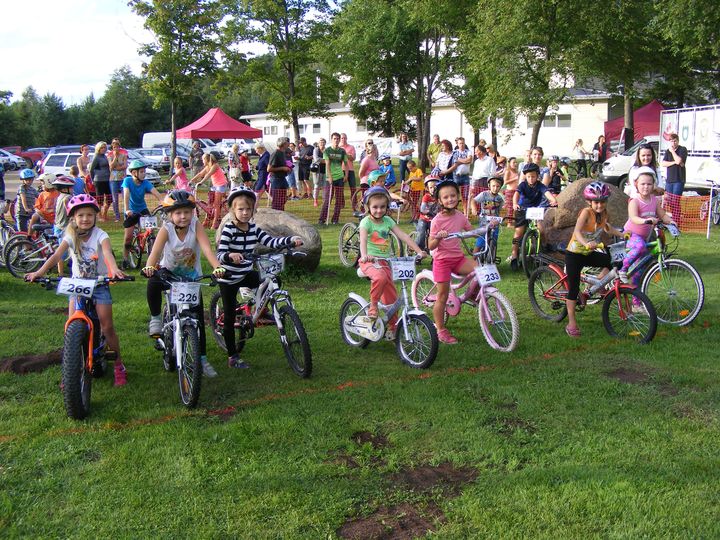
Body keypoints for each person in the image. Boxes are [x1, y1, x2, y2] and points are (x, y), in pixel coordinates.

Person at [25, 194, 128, 386]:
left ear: (95, 216)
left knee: (107, 326)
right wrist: (38, 273)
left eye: (89, 215)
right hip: (77, 285)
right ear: (73, 217)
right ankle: (70, 372)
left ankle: (118, 366)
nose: (85, 219)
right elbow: (56, 256)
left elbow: (107, 253)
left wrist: (114, 269)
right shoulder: (70, 236)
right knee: (71, 326)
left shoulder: (101, 235)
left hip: (98, 284)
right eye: (81, 215)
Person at [216, 186, 303, 369]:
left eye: (248, 209)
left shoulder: (253, 228)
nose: (245, 213)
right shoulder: (229, 229)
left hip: (246, 273)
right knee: (230, 317)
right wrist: (230, 255)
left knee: (271, 280)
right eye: (240, 209)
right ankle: (233, 356)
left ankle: (260, 310)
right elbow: (220, 253)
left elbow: (270, 241)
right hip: (229, 277)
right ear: (232, 210)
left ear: (253, 210)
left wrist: (290, 240)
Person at [142, 190, 226, 377]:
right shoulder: (166, 229)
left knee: (198, 321)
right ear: (170, 215)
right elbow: (155, 252)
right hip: (169, 274)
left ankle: (202, 360)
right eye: (178, 213)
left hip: (191, 278)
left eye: (187, 212)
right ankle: (156, 318)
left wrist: (217, 267)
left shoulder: (196, 226)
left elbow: (207, 248)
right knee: (153, 282)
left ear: (192, 212)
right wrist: (149, 266)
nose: (183, 216)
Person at [358, 186, 425, 338]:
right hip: (369, 261)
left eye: (382, 207)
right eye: (375, 207)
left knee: (392, 299)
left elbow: (403, 236)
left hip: (384, 262)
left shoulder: (388, 220)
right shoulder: (366, 222)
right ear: (368, 207)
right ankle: (373, 305)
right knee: (380, 277)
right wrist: (365, 255)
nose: (379, 210)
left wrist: (419, 251)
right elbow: (363, 240)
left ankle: (393, 327)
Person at [563, 182, 624, 337]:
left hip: (588, 253)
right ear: (589, 202)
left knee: (611, 262)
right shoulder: (586, 212)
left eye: (602, 201)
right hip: (575, 254)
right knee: (573, 289)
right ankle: (571, 323)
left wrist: (623, 234)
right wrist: (586, 243)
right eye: (596, 202)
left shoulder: (604, 213)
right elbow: (577, 231)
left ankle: (597, 285)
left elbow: (607, 227)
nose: (599, 205)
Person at [428, 180, 476, 344]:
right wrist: (438, 238)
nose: (450, 199)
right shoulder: (437, 221)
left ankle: (473, 295)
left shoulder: (460, 216)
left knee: (480, 270)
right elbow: (430, 245)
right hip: (442, 261)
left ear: (458, 196)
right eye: (446, 197)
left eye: (453, 196)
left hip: (458, 258)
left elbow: (472, 231)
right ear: (440, 201)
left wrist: (488, 226)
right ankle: (441, 330)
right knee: (442, 296)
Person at [619, 171, 675, 290]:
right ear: (636, 185)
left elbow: (662, 215)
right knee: (640, 246)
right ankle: (622, 269)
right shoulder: (634, 201)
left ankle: (636, 299)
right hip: (630, 235)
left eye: (649, 184)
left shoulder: (654, 201)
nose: (646, 187)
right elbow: (633, 217)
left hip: (643, 237)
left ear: (653, 185)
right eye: (643, 184)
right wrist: (646, 220)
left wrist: (671, 221)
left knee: (640, 270)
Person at [509, 163, 558, 270]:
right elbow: (516, 194)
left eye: (533, 176)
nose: (531, 179)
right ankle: (514, 255)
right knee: (518, 233)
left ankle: (543, 250)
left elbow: (547, 193)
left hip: (535, 210)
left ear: (537, 176)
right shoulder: (522, 185)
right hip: (522, 209)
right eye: (528, 177)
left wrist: (553, 200)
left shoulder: (540, 185)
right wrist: (515, 203)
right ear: (525, 177)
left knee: (541, 230)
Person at [121, 160, 163, 268]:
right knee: (128, 238)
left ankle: (151, 249)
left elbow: (156, 193)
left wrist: (163, 202)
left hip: (143, 209)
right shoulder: (127, 181)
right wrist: (127, 209)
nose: (144, 174)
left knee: (151, 230)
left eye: (144, 171)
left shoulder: (145, 183)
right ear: (134, 173)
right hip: (131, 211)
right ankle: (125, 259)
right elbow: (126, 195)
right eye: (142, 172)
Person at [192, 153, 229, 228]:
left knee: (216, 204)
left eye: (203, 159)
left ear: (207, 159)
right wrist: (191, 180)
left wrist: (201, 182)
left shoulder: (215, 165)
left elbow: (208, 174)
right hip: (215, 185)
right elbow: (200, 174)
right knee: (210, 203)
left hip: (221, 185)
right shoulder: (208, 166)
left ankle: (215, 223)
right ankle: (207, 220)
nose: (202, 161)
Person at [471, 176, 504, 255]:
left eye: (498, 186)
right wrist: (474, 209)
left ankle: (492, 257)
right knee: (480, 241)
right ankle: (474, 259)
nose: (495, 188)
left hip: (494, 222)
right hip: (484, 221)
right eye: (493, 186)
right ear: (489, 185)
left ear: (500, 187)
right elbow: (473, 201)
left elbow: (499, 210)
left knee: (494, 239)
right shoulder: (484, 194)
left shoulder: (500, 198)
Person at [660, 133, 687, 225]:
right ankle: (673, 219)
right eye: (671, 141)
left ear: (678, 141)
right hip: (669, 180)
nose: (673, 143)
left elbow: (679, 161)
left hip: (679, 179)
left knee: (676, 200)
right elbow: (663, 163)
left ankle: (677, 220)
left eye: (675, 141)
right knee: (670, 200)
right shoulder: (667, 151)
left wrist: (673, 152)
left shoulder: (682, 149)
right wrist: (674, 162)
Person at [321, 132, 348, 224]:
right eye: (334, 139)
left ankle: (335, 219)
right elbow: (327, 165)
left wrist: (346, 175)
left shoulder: (342, 151)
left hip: (340, 178)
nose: (336, 140)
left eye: (337, 139)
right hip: (329, 178)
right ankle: (322, 219)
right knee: (327, 199)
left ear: (340, 140)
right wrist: (330, 177)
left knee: (338, 200)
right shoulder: (327, 151)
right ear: (331, 140)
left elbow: (346, 164)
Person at [266, 137, 292, 212]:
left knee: (282, 200)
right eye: (287, 142)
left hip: (282, 178)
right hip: (276, 180)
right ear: (283, 143)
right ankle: (275, 216)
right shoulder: (275, 153)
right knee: (277, 201)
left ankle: (282, 215)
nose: (289, 144)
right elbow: (269, 169)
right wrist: (283, 168)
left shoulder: (282, 153)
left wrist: (288, 168)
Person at [415, 175, 439, 251]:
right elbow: (422, 208)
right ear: (427, 188)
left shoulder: (439, 197)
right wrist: (428, 212)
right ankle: (419, 250)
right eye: (431, 187)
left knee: (435, 235)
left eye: (435, 187)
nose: (433, 189)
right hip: (424, 219)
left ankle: (432, 250)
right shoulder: (426, 197)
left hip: (434, 220)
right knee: (421, 234)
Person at [470, 145, 497, 212]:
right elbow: (474, 174)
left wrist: (491, 185)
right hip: (477, 183)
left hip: (486, 182)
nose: (475, 153)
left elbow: (493, 173)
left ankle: (489, 215)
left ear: (481, 151)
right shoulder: (476, 162)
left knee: (487, 202)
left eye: (476, 151)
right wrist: (472, 186)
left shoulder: (490, 160)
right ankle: (480, 216)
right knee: (478, 202)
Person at [89, 141, 111, 221]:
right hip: (99, 180)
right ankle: (99, 215)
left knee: (109, 198)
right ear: (98, 148)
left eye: (105, 147)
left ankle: (104, 213)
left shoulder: (105, 156)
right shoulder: (96, 157)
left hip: (107, 179)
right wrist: (92, 180)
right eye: (102, 148)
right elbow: (91, 169)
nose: (104, 149)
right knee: (100, 199)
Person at [108, 138, 128, 221]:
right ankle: (117, 216)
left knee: (125, 196)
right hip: (113, 179)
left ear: (119, 147)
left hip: (122, 178)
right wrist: (115, 157)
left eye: (117, 146)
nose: (116, 148)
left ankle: (126, 214)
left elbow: (125, 166)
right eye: (114, 147)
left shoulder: (124, 155)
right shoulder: (110, 156)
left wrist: (117, 168)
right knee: (114, 198)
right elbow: (111, 166)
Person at [451, 137, 473, 213]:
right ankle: (454, 212)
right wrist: (465, 160)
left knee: (465, 196)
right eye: (460, 143)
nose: (462, 145)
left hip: (465, 176)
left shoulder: (468, 151)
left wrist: (459, 160)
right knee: (454, 195)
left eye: (463, 143)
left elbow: (469, 160)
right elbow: (455, 162)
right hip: (456, 176)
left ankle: (465, 213)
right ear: (457, 144)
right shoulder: (454, 152)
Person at [340, 134, 358, 210]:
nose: (343, 139)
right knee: (340, 188)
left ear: (346, 138)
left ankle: (354, 203)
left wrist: (345, 154)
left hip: (350, 169)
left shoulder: (351, 147)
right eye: (342, 138)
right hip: (340, 170)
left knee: (353, 187)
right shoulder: (338, 148)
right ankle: (341, 204)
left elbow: (353, 158)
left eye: (344, 138)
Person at [503, 157, 519, 227]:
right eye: (513, 162)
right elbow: (505, 182)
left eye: (516, 162)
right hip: (510, 191)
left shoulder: (516, 171)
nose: (515, 164)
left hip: (516, 191)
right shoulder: (508, 171)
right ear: (509, 163)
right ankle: (509, 223)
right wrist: (514, 179)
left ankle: (515, 221)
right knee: (510, 208)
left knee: (516, 207)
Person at [312, 138, 327, 209]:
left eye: (323, 142)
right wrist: (326, 161)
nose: (322, 143)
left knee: (325, 186)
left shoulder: (327, 150)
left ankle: (324, 201)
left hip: (326, 170)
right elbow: (316, 159)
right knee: (316, 185)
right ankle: (315, 200)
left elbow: (329, 159)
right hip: (317, 171)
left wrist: (326, 161)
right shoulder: (316, 150)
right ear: (318, 143)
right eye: (320, 142)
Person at [253, 143, 270, 207]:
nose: (256, 151)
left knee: (257, 192)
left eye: (256, 150)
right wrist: (257, 167)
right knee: (265, 192)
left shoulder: (266, 156)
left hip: (263, 177)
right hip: (261, 176)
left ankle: (254, 208)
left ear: (260, 148)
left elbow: (268, 166)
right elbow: (262, 165)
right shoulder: (262, 155)